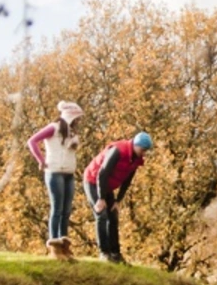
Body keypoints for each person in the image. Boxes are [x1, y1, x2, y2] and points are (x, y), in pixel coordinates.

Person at [82, 131, 153, 263]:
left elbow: (127, 180)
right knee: (101, 214)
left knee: (113, 216)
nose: (144, 153)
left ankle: (116, 254)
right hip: (93, 180)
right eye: (143, 150)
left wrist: (117, 200)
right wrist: (101, 198)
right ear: (136, 145)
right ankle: (104, 252)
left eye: (146, 151)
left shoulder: (137, 159)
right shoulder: (118, 150)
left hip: (107, 185)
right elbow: (102, 173)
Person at [27, 101, 84, 259]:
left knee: (66, 210)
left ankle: (64, 245)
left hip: (69, 173)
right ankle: (54, 246)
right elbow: (32, 141)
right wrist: (40, 160)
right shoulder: (54, 127)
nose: (79, 121)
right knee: (57, 209)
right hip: (54, 172)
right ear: (71, 117)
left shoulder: (72, 132)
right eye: (77, 118)